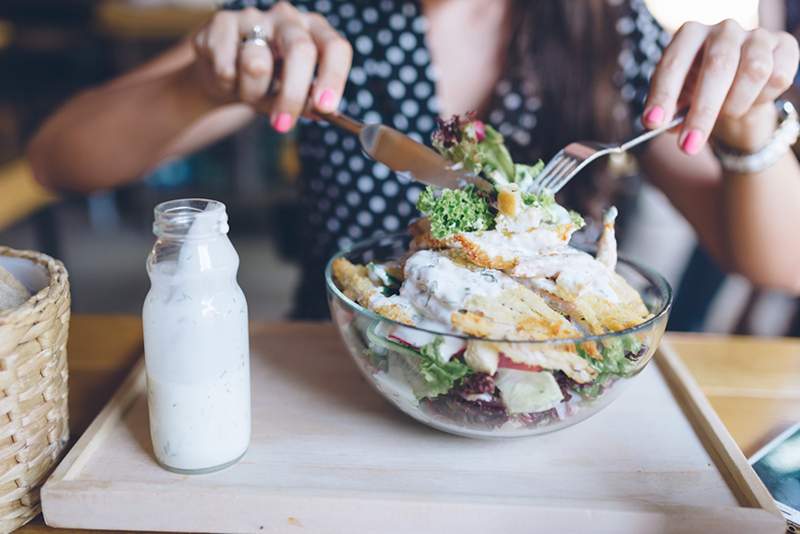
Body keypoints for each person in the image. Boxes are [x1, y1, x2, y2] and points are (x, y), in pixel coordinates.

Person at [27, 0, 800, 318]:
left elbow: (778, 261)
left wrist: (747, 122)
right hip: (332, 361)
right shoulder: (318, 17)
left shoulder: (612, 30)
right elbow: (60, 159)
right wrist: (208, 81)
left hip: (549, 379)